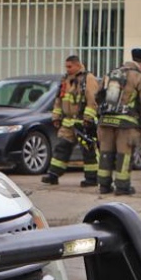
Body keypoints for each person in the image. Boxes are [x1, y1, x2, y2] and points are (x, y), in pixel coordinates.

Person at [97, 47, 141, 196]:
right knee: (123, 156)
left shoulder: (111, 74)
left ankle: (104, 186)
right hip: (126, 124)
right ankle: (122, 187)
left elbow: (98, 95)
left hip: (106, 121)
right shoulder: (139, 78)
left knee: (105, 154)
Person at [42, 55, 100, 186]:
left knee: (88, 151)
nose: (67, 69)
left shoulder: (88, 79)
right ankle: (53, 174)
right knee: (61, 147)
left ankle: (91, 178)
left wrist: (88, 118)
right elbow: (59, 99)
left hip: (82, 122)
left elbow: (92, 101)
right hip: (68, 122)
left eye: (70, 66)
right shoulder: (65, 80)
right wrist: (56, 117)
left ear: (78, 65)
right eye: (66, 67)